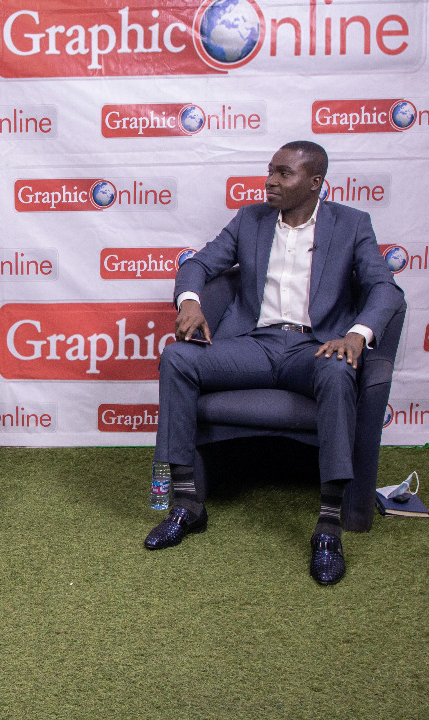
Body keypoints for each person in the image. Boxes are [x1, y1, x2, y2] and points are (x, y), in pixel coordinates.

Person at [144, 141, 404, 585]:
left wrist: (356, 335)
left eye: (284, 173)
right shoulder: (251, 219)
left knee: (339, 371)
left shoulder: (352, 224)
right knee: (177, 358)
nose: (271, 181)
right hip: (255, 344)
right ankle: (187, 504)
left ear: (315, 182)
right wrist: (190, 303)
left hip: (315, 348)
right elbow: (200, 264)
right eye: (270, 171)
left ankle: (327, 528)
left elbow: (385, 288)